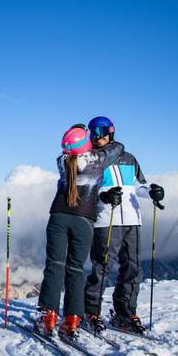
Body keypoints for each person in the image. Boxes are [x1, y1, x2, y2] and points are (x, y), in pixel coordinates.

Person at [36, 124, 124, 341]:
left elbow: (72, 151)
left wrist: (78, 134)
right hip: (84, 220)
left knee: (54, 266)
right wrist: (95, 139)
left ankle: (48, 318)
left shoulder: (61, 161)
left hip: (58, 216)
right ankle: (72, 321)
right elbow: (118, 148)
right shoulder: (98, 160)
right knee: (75, 269)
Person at [83, 116, 165, 335]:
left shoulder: (129, 158)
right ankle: (90, 311)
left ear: (111, 131)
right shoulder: (91, 159)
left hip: (131, 218)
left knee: (132, 268)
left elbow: (139, 186)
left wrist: (152, 192)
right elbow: (86, 190)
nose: (97, 136)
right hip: (105, 220)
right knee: (102, 266)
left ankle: (125, 312)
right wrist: (105, 196)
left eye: (101, 130)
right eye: (92, 132)